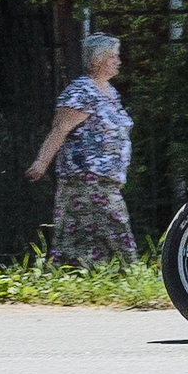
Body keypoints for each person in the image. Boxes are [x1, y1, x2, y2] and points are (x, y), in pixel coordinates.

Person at [25, 33, 137, 267]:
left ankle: (80, 273)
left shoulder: (109, 91)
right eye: (113, 57)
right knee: (114, 226)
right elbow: (59, 129)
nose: (119, 61)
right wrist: (41, 162)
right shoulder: (82, 91)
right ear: (97, 60)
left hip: (106, 179)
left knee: (86, 235)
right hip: (85, 178)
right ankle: (129, 272)